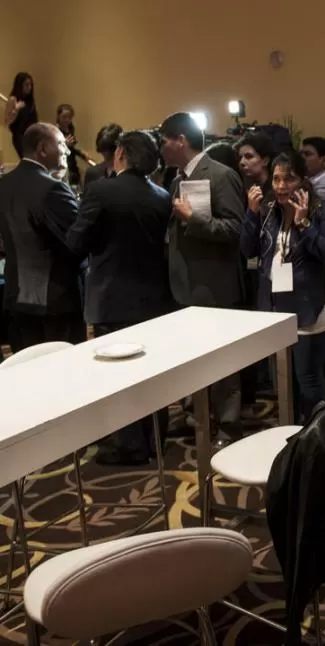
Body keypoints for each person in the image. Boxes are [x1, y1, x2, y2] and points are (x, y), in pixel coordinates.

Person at [66, 129, 174, 465]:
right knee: (153, 371)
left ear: (121, 155)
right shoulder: (161, 195)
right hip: (154, 296)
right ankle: (156, 438)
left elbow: (76, 242)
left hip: (112, 296)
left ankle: (130, 445)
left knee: (118, 375)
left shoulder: (100, 191)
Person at [159, 111, 246, 432]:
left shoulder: (221, 175)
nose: (161, 147)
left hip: (214, 284)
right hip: (185, 283)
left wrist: (192, 218)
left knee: (223, 359)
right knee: (193, 355)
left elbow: (235, 229)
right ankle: (198, 417)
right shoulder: (178, 179)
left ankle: (227, 422)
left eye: (164, 141)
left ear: (181, 140)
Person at [241, 152, 325, 421]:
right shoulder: (268, 209)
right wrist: (251, 214)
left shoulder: (322, 209)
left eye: (289, 179)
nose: (281, 186)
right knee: (284, 382)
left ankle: (321, 437)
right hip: (275, 307)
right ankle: (295, 436)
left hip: (309, 307)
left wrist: (304, 223)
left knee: (308, 380)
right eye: (276, 179)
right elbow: (247, 249)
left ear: (303, 179)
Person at [0, 123, 84, 350]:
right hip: (55, 299)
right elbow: (79, 238)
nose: (66, 151)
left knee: (26, 372)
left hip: (16, 296)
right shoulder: (52, 188)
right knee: (64, 375)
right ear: (43, 148)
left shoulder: (3, 185)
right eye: (60, 144)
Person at [300, 136, 325, 211]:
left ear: (324, 160)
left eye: (307, 154)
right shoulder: (306, 180)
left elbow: (312, 213)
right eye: (301, 154)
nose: (302, 158)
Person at [3, 72, 38, 159]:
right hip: (20, 137)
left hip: (32, 135)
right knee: (28, 161)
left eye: (30, 84)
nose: (29, 87)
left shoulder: (29, 100)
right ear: (19, 85)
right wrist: (16, 109)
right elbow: (7, 122)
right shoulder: (13, 99)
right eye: (26, 85)